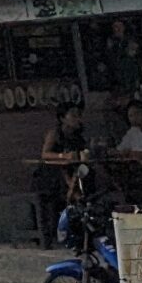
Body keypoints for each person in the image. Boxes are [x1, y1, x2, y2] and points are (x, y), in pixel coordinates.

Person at [31, 101, 90, 243]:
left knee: (87, 175)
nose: (77, 119)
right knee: (63, 179)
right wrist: (63, 156)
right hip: (50, 176)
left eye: (79, 115)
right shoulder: (54, 134)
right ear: (63, 118)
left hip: (71, 172)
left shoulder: (78, 136)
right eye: (73, 115)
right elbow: (45, 154)